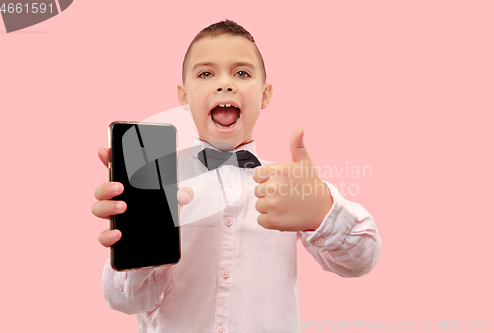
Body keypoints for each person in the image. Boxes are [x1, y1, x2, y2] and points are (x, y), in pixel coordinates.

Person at [92, 19, 381, 333]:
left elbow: (362, 259)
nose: (225, 84)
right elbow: (124, 301)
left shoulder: (289, 183)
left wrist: (324, 212)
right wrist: (141, 245)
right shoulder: (159, 184)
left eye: (242, 73)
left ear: (265, 95)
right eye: (205, 74)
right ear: (184, 95)